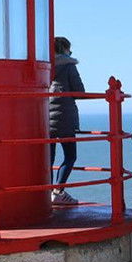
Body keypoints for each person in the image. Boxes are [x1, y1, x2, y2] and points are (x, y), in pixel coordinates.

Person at [48, 36, 84, 205]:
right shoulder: (68, 66)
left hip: (44, 117)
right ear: (64, 49)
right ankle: (58, 191)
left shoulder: (45, 66)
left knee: (48, 159)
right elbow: (79, 91)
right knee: (70, 156)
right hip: (64, 118)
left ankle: (45, 192)